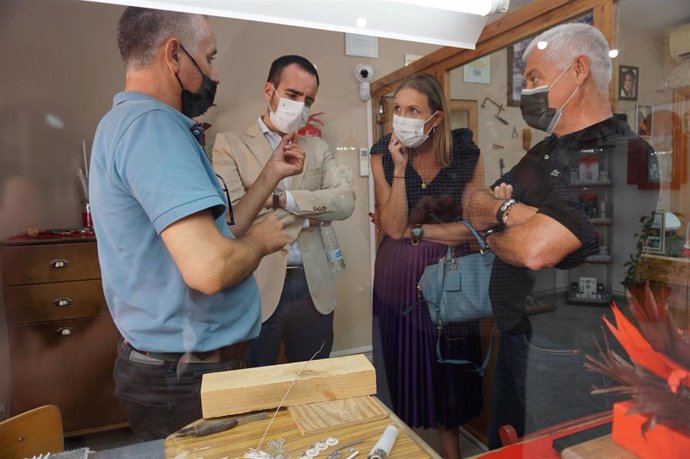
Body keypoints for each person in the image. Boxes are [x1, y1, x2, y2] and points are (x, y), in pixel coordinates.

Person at [89, 8, 304, 440]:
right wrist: (263, 241)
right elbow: (210, 267)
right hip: (185, 377)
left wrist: (268, 177)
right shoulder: (153, 128)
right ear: (174, 55)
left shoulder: (122, 123)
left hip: (172, 368)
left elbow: (219, 232)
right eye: (208, 58)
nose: (214, 75)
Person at [465, 23, 657, 448]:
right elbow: (475, 203)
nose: (526, 92)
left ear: (578, 70)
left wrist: (503, 223)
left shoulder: (624, 153)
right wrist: (512, 214)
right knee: (512, 447)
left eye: (533, 78)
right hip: (518, 334)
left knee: (556, 452)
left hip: (570, 348)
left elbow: (535, 250)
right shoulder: (546, 150)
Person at [212, 55, 355, 366]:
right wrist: (311, 214)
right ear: (269, 91)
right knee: (258, 386)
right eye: (292, 95)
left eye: (308, 99)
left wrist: (280, 201)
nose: (300, 105)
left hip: (312, 286)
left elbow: (345, 201)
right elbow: (234, 218)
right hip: (257, 285)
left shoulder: (317, 148)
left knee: (313, 385)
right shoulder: (231, 145)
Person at [370, 73, 485, 459]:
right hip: (396, 281)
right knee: (401, 371)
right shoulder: (382, 154)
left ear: (435, 118)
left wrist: (416, 231)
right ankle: (398, 449)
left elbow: (473, 226)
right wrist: (400, 169)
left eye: (413, 110)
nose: (401, 118)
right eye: (397, 110)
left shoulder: (466, 154)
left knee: (448, 377)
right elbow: (391, 226)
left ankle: (451, 454)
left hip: (452, 281)